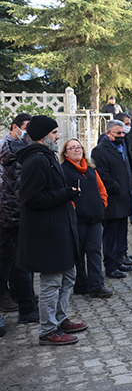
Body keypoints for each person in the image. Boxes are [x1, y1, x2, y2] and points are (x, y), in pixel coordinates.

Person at [19, 115, 88, 345]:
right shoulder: (36, 160)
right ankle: (48, 330)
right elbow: (31, 198)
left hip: (61, 229)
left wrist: (65, 193)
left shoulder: (46, 157)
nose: (58, 137)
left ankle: (59, 319)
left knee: (69, 276)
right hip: (47, 234)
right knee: (51, 283)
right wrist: (64, 194)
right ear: (43, 135)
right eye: (54, 133)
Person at [59, 138, 113, 298]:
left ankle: (96, 285)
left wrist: (101, 204)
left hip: (95, 219)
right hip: (77, 220)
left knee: (95, 251)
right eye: (72, 148)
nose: (77, 150)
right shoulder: (63, 171)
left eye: (79, 147)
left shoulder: (90, 170)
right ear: (65, 153)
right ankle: (81, 284)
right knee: (79, 253)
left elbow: (101, 188)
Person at [0, 112, 38, 324]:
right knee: (8, 256)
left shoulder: (22, 149)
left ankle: (20, 294)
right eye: (25, 128)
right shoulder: (8, 148)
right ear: (15, 127)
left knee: (17, 257)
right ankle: (8, 294)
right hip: (9, 210)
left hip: (14, 210)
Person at [92, 119, 132, 281]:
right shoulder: (99, 151)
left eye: (123, 133)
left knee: (121, 231)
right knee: (111, 235)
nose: (121, 136)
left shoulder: (121, 146)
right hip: (112, 199)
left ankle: (119, 259)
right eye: (118, 133)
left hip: (124, 197)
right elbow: (103, 176)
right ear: (108, 133)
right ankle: (110, 266)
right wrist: (117, 187)